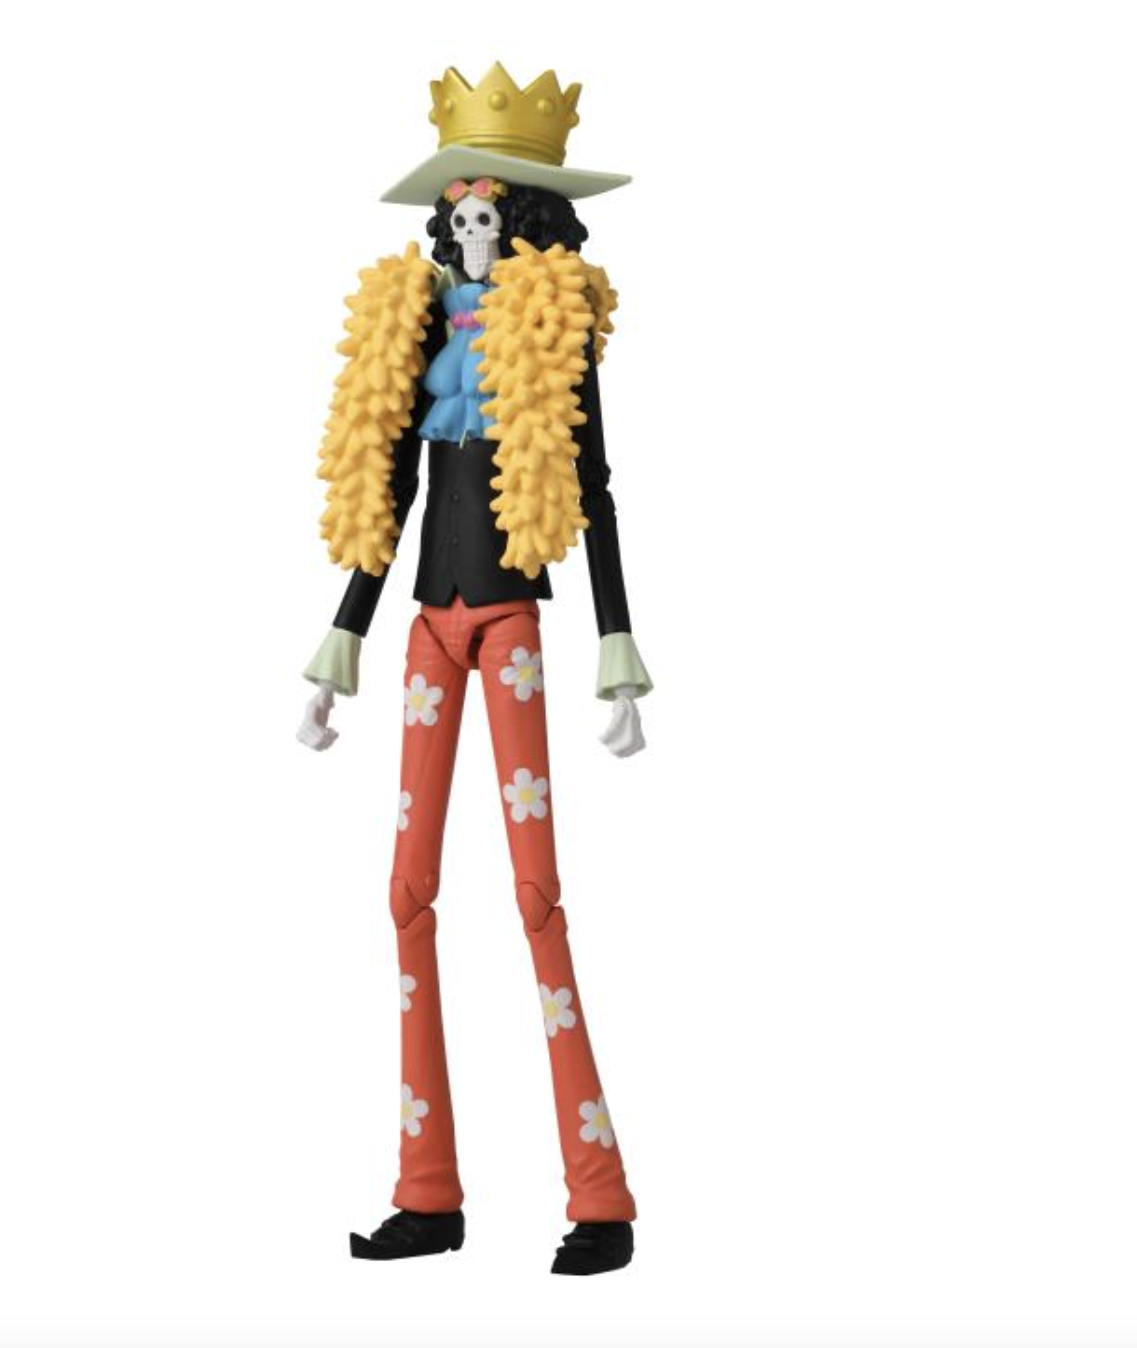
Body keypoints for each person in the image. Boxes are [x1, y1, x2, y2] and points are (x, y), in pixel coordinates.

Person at [298, 64, 653, 1276]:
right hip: (425, 631)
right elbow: (385, 490)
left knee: (533, 894)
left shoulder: (551, 338)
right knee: (404, 893)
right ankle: (426, 1190)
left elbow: (591, 486)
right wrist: (343, 633)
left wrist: (615, 638)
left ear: (524, 218)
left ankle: (599, 1198)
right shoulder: (415, 334)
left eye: (487, 207)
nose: (469, 224)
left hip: (507, 627)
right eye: (455, 209)